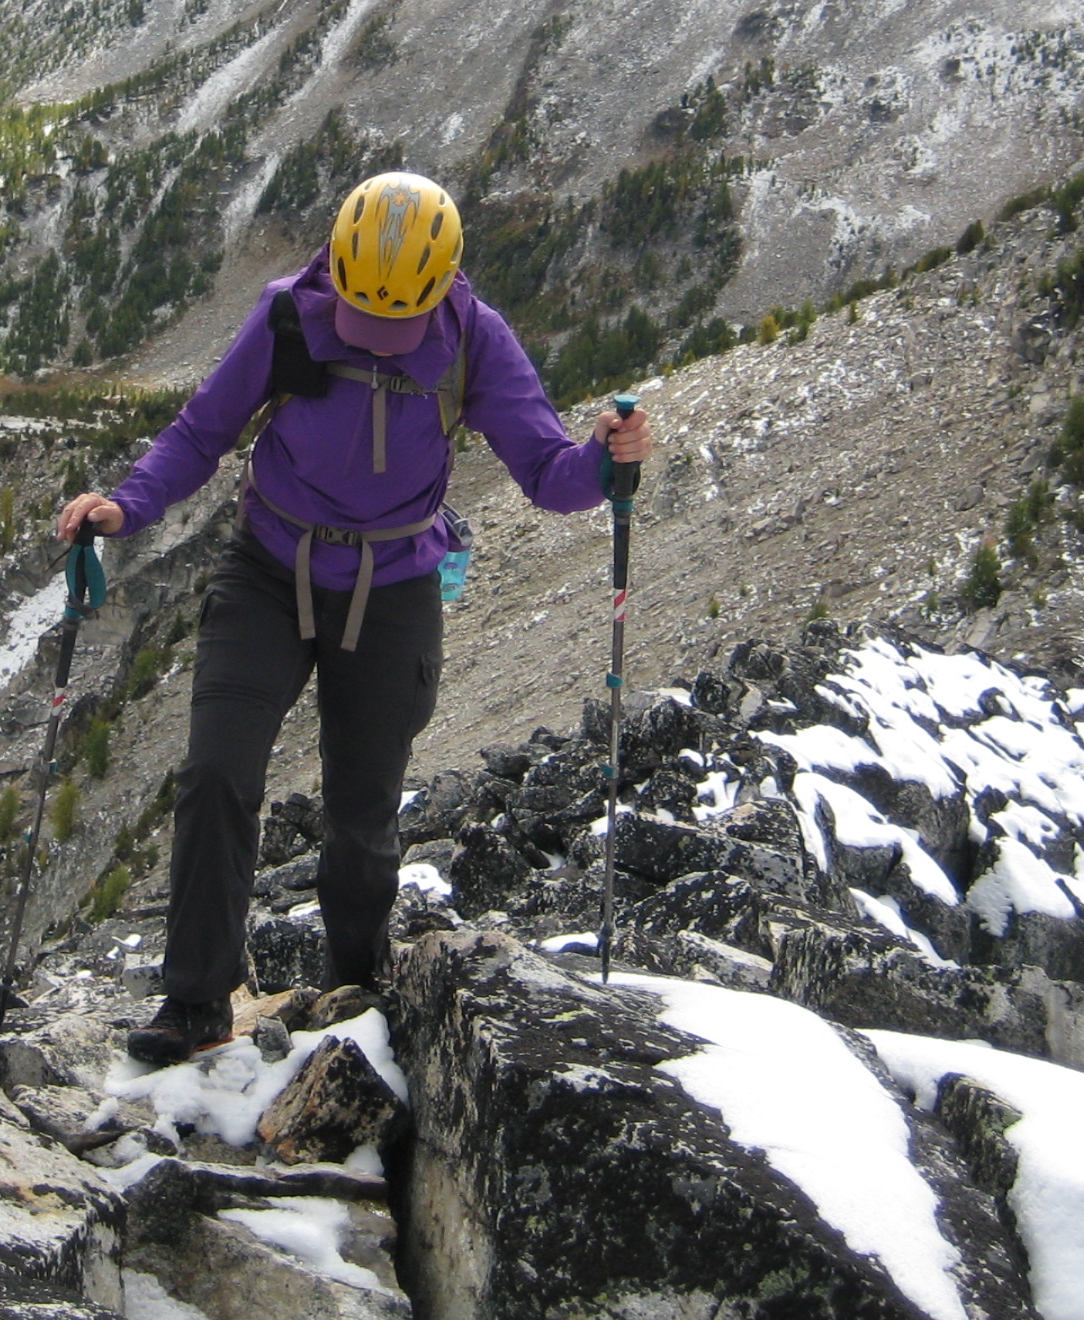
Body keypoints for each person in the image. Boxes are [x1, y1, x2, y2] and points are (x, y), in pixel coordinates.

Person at [53, 171, 655, 1065]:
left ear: (445, 283)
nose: (374, 340)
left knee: (363, 807)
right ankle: (194, 1002)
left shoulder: (471, 341)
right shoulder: (292, 313)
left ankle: (358, 989)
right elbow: (202, 432)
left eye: (394, 325)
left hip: (395, 586)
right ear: (335, 263)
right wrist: (124, 507)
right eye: (361, 316)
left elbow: (546, 471)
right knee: (218, 771)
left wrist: (607, 461)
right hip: (267, 567)